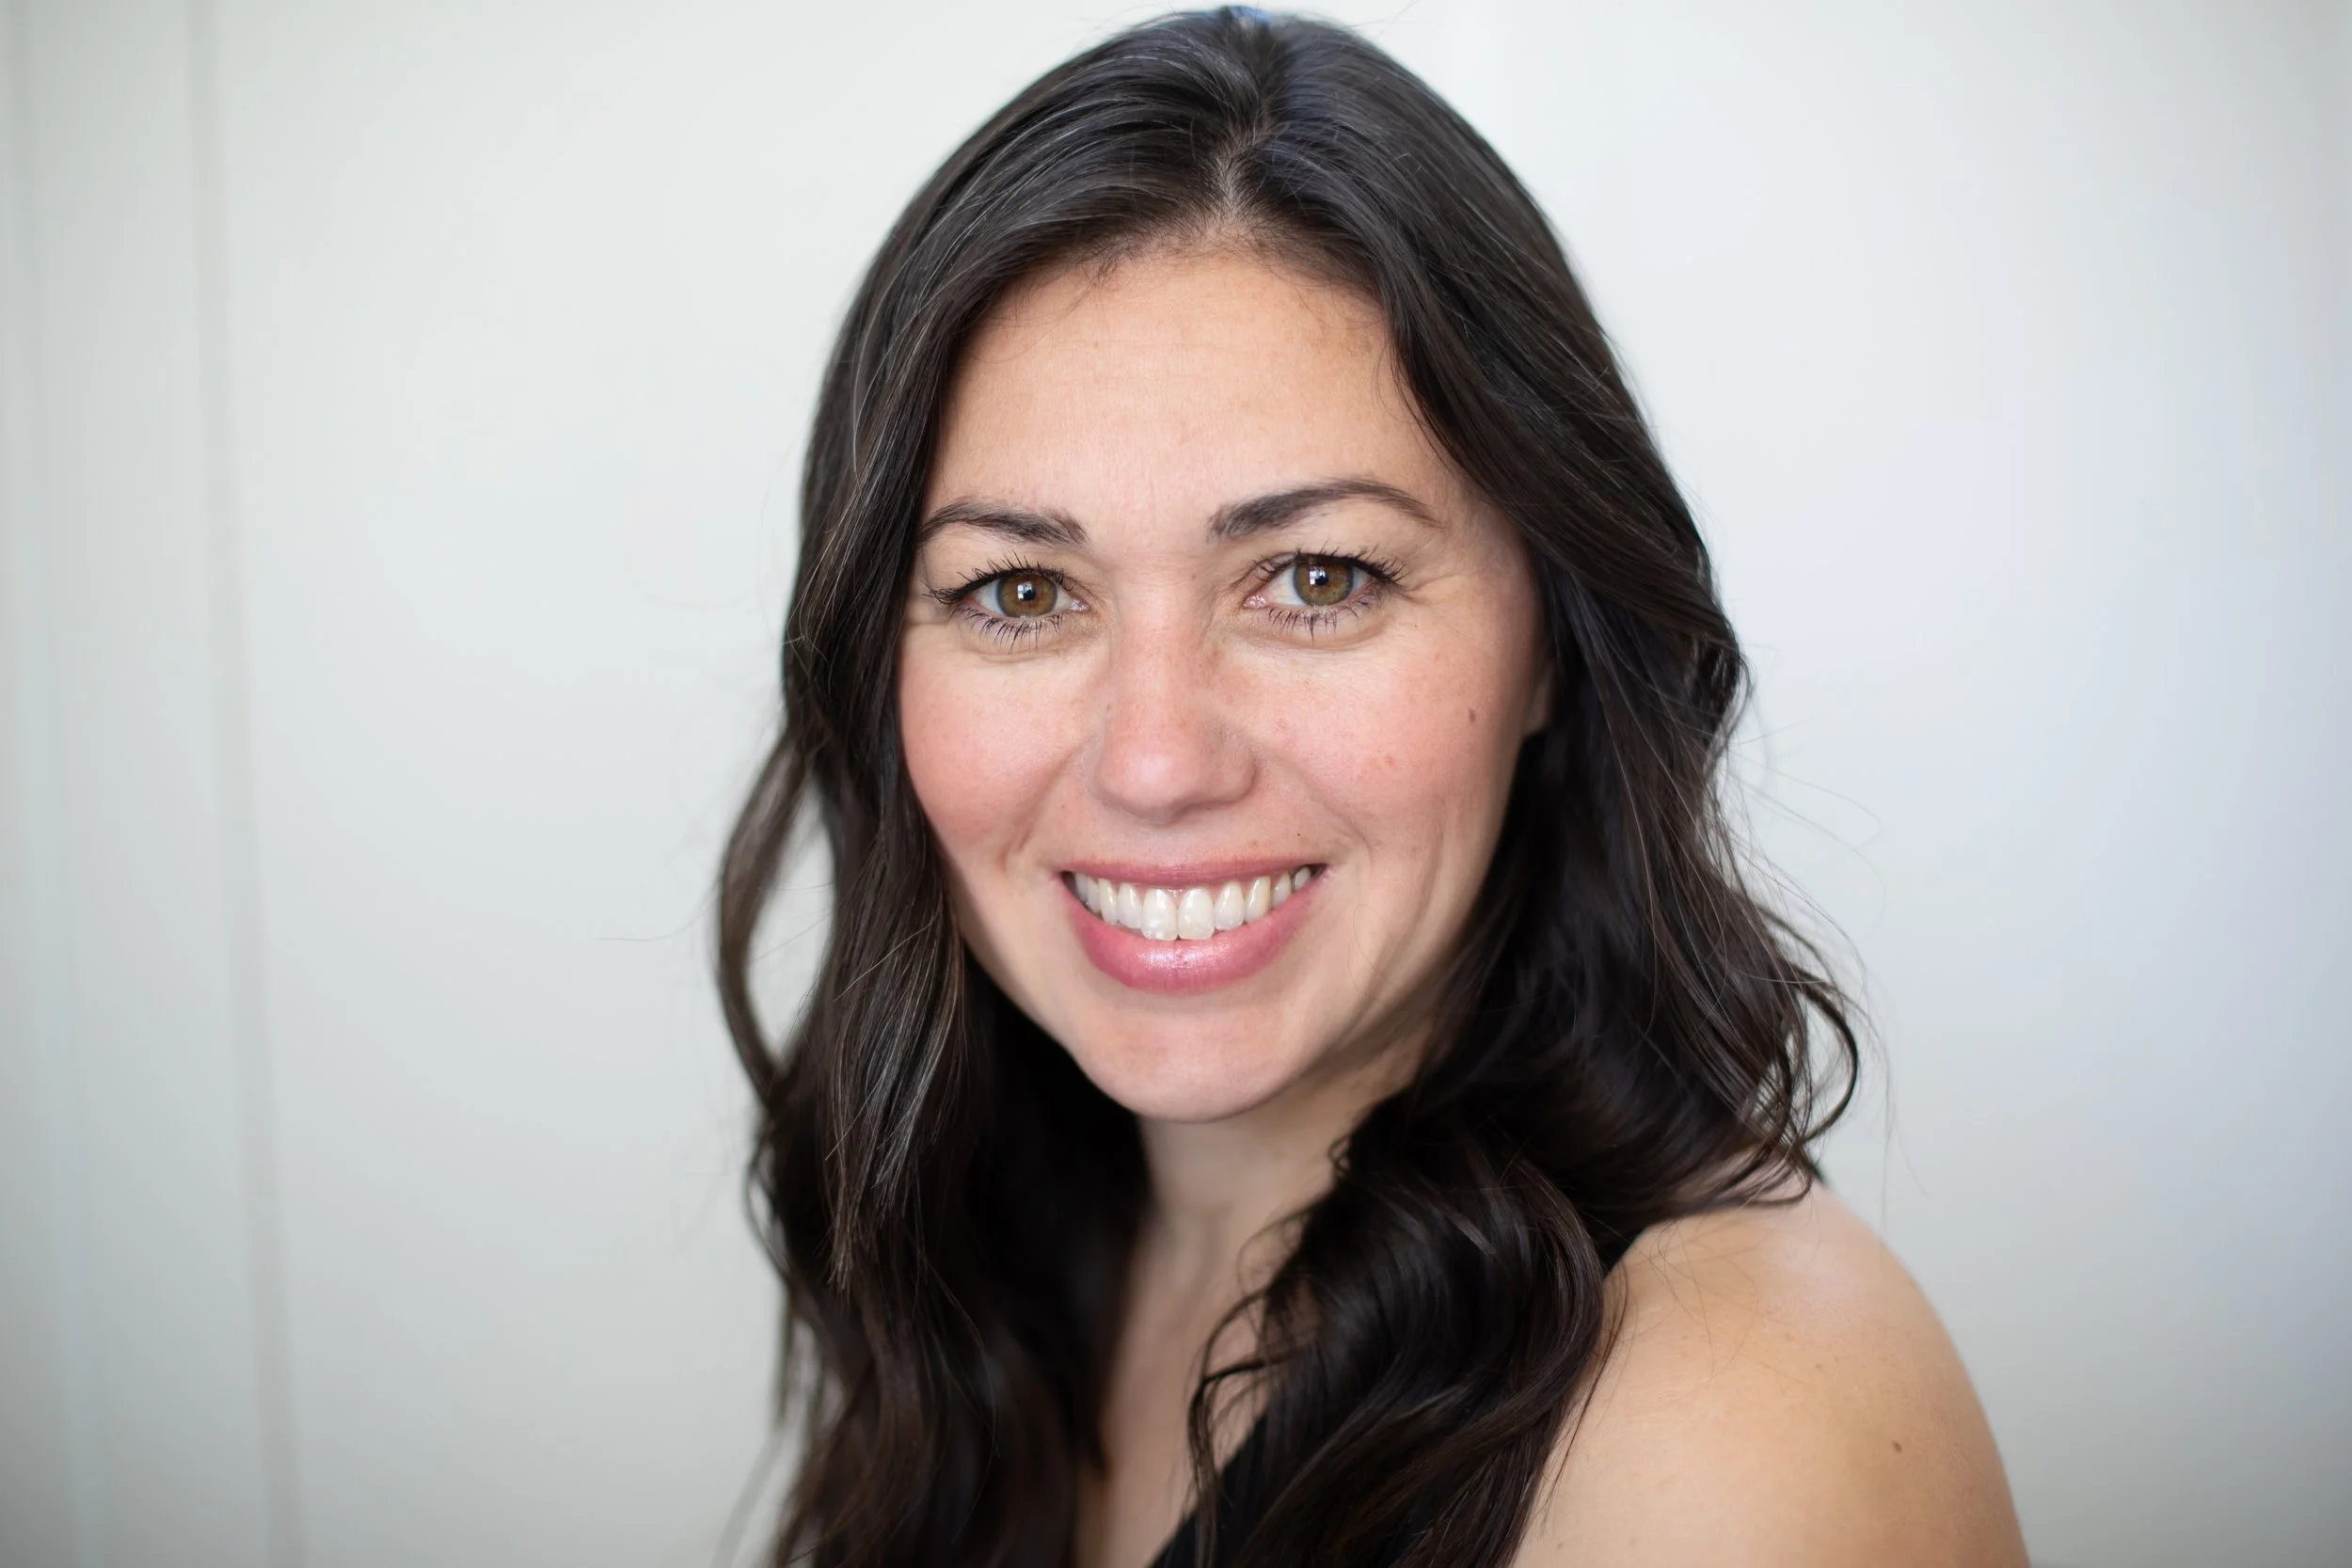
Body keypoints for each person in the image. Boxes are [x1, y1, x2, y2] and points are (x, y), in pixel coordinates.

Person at [715, 8, 2026, 1566]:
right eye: (1019, 594)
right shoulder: (1003, 1246)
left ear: (1556, 641)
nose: (1154, 759)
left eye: (1317, 578)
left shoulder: (1732, 1431)